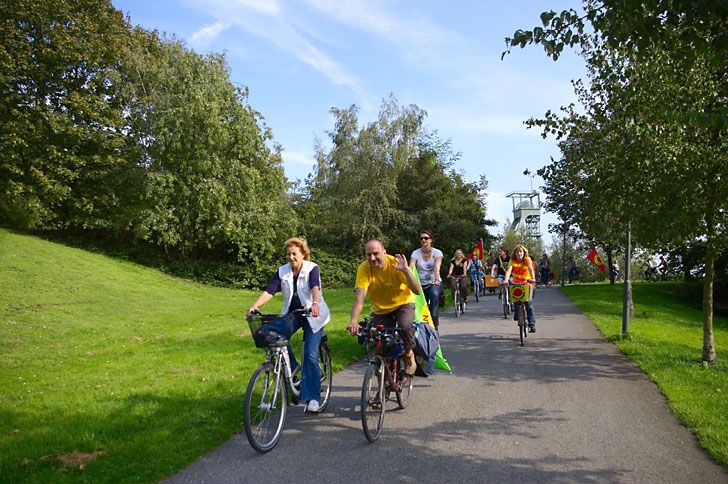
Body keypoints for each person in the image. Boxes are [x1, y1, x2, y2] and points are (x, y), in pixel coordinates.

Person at [247, 238, 331, 414]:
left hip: (312, 314)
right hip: (293, 314)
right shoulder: (282, 271)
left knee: (310, 354)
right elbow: (270, 290)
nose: (291, 257)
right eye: (288, 254)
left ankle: (313, 398)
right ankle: (293, 367)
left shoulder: (311, 268)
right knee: (270, 333)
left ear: (303, 254)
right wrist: (255, 306)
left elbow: (315, 287)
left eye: (295, 254)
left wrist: (315, 303)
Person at [348, 239, 422, 375]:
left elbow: (417, 291)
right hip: (381, 309)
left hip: (403, 303)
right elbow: (360, 297)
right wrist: (353, 321)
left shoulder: (395, 264)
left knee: (405, 326)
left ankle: (409, 354)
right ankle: (384, 387)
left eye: (376, 254)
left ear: (384, 252)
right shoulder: (364, 269)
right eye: (368, 255)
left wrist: (406, 270)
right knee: (382, 345)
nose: (372, 258)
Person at [409, 230, 443, 330]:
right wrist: (409, 280)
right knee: (415, 302)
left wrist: (436, 279)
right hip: (420, 283)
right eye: (421, 238)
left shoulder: (437, 252)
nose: (424, 240)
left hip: (434, 282)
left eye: (426, 238)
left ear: (431, 240)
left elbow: (437, 267)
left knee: (434, 294)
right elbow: (411, 267)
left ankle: (434, 324)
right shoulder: (416, 253)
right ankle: (418, 327)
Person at [503, 244, 536, 332]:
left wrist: (532, 278)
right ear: (515, 253)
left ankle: (532, 325)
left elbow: (530, 269)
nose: (519, 254)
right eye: (517, 252)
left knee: (528, 304)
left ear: (523, 253)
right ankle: (517, 313)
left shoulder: (527, 259)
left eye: (520, 252)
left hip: (527, 283)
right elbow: (508, 271)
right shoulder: (512, 260)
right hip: (516, 282)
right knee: (516, 301)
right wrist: (506, 280)